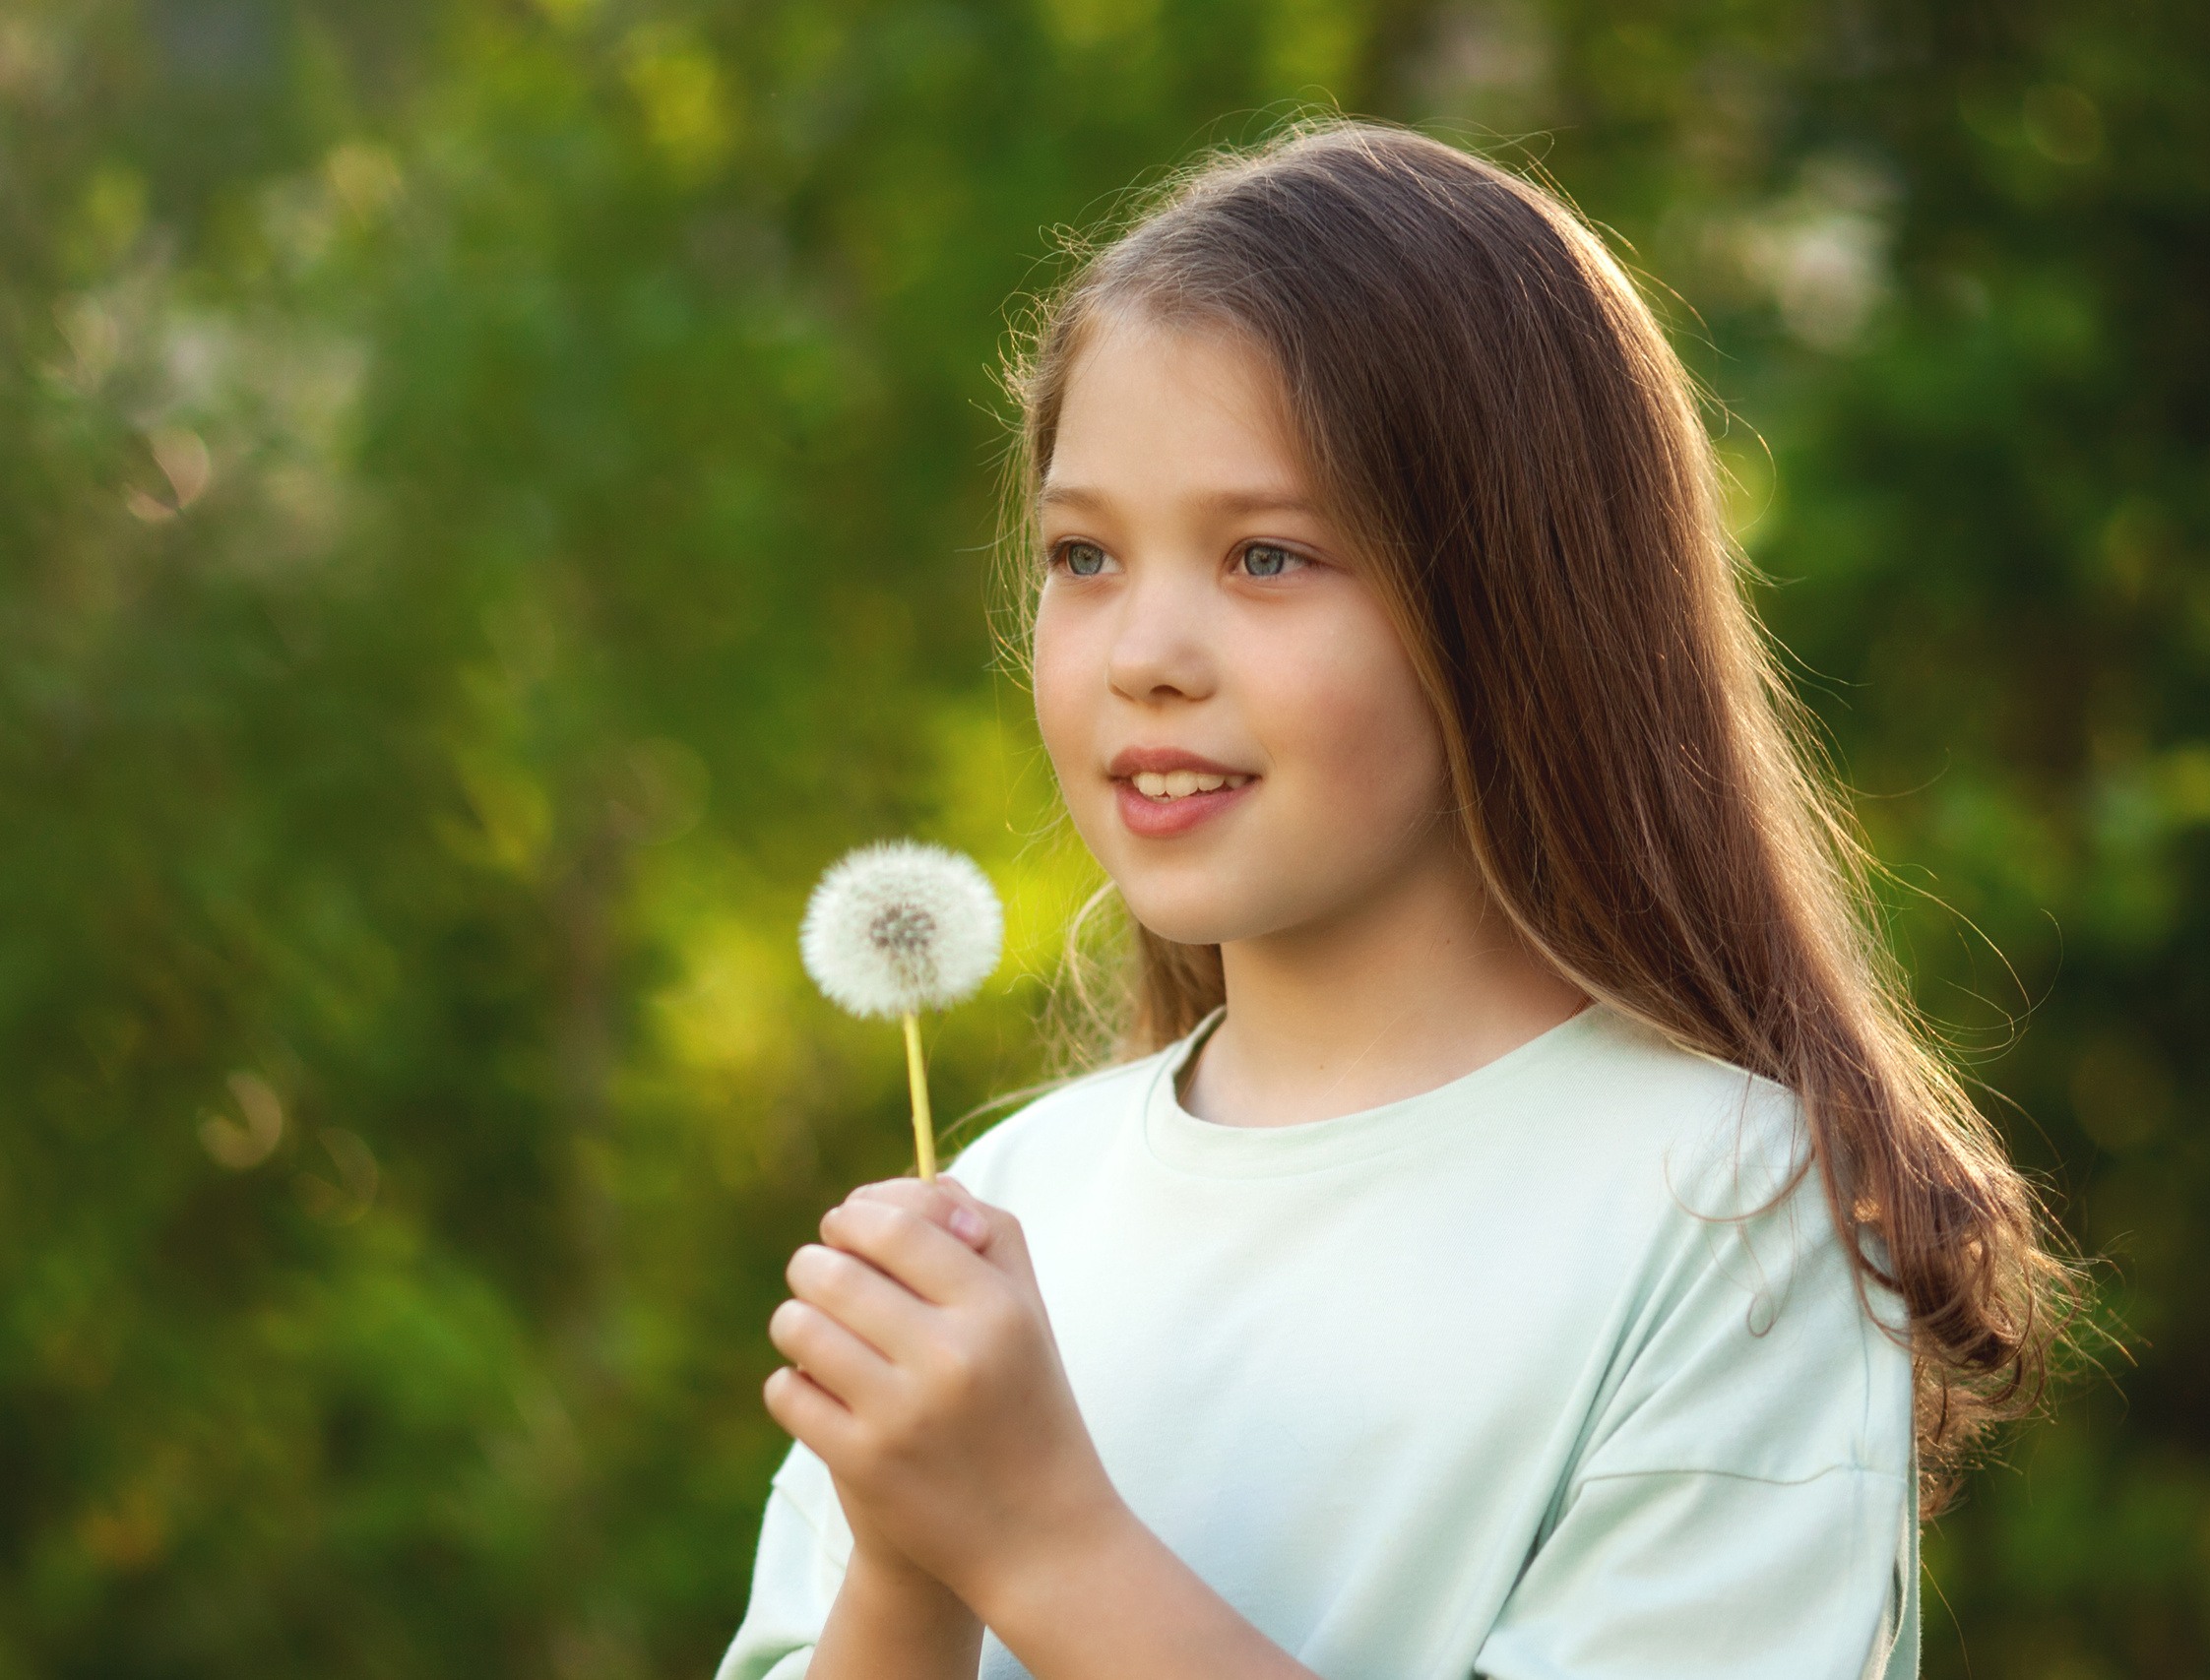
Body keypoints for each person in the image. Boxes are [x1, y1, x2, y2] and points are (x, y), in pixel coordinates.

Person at [715, 117, 2075, 1680]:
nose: (1145, 647)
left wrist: (1038, 1540)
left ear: (1513, 602)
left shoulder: (1724, 1215)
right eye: (1083, 556)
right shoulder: (1005, 1205)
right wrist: (911, 1561)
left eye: (1268, 557)